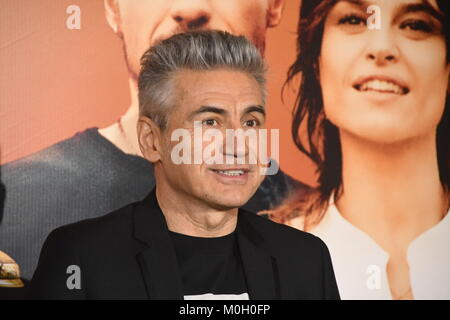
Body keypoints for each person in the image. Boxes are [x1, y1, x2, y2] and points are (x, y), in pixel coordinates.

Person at [0, 0, 307, 284]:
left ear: (275, 4)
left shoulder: (316, 230)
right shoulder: (15, 206)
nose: (190, 8)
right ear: (112, 7)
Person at [269, 0, 450, 299]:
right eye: (354, 20)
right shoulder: (258, 266)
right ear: (316, 60)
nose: (381, 48)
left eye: (415, 25)